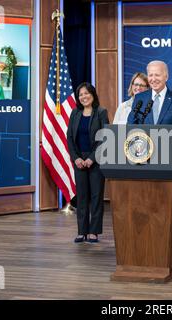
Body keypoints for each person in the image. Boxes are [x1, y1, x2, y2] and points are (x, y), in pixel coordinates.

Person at [67, 82, 109, 243]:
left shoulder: (101, 112)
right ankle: (82, 231)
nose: (84, 97)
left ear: (92, 94)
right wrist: (76, 158)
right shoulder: (75, 113)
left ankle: (94, 232)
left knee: (96, 196)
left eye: (86, 93)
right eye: (81, 95)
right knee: (82, 197)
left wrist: (92, 158)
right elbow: (70, 137)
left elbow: (105, 137)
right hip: (79, 159)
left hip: (96, 160)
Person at [126, 60, 172, 136]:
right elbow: (130, 126)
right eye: (150, 75)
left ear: (166, 77)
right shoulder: (139, 98)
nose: (153, 79)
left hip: (169, 146)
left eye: (157, 75)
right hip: (145, 146)